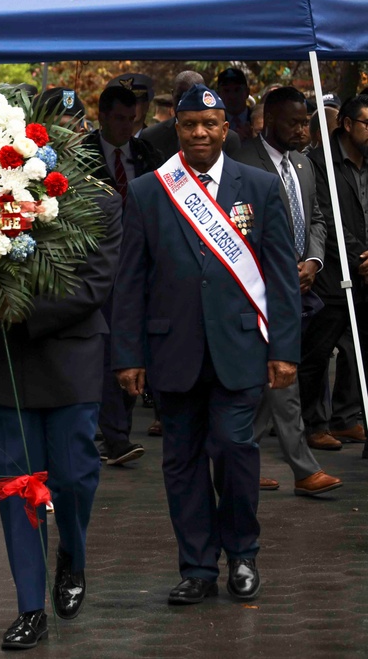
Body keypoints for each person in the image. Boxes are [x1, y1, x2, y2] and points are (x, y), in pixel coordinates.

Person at [112, 84, 301, 606]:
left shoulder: (258, 187)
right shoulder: (151, 190)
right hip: (172, 351)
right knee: (182, 460)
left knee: (237, 449)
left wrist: (284, 348)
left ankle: (242, 554)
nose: (199, 132)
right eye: (190, 124)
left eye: (209, 124)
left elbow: (281, 275)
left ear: (227, 128)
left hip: (240, 348)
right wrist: (127, 355)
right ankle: (197, 566)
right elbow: (130, 279)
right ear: (178, 128)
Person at [0, 188, 122, 650]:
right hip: (3, 361)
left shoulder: (100, 202)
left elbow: (96, 283)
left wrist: (20, 311)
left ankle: (71, 554)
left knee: (74, 478)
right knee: (16, 488)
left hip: (69, 358)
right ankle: (30, 607)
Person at [233, 86, 342, 495]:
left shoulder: (304, 164)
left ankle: (239, 458)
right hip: (258, 285)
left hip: (300, 284)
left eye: (306, 122)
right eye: (294, 122)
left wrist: (313, 261)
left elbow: (316, 217)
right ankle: (303, 469)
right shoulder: (243, 161)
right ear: (268, 121)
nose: (303, 130)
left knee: (272, 377)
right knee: (284, 373)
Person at [83, 85, 162, 466]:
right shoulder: (81, 154)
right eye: (120, 119)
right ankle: (111, 435)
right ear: (101, 116)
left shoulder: (147, 154)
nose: (128, 127)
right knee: (106, 348)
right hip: (97, 263)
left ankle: (118, 431)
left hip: (140, 261)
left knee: (133, 345)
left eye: (134, 120)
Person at [303, 94, 368, 459]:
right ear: (347, 124)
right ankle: (314, 424)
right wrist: (360, 257)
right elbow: (324, 218)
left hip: (365, 273)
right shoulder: (320, 162)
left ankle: (346, 415)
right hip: (332, 272)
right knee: (319, 348)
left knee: (359, 350)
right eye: (367, 124)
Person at [140, 71, 242, 161]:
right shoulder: (150, 136)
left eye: (191, 98)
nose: (184, 104)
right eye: (180, 97)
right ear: (172, 94)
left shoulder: (229, 139)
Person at [218, 68, 254, 140]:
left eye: (237, 90)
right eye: (226, 91)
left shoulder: (257, 120)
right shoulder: (216, 122)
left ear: (247, 92)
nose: (232, 96)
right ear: (219, 95)